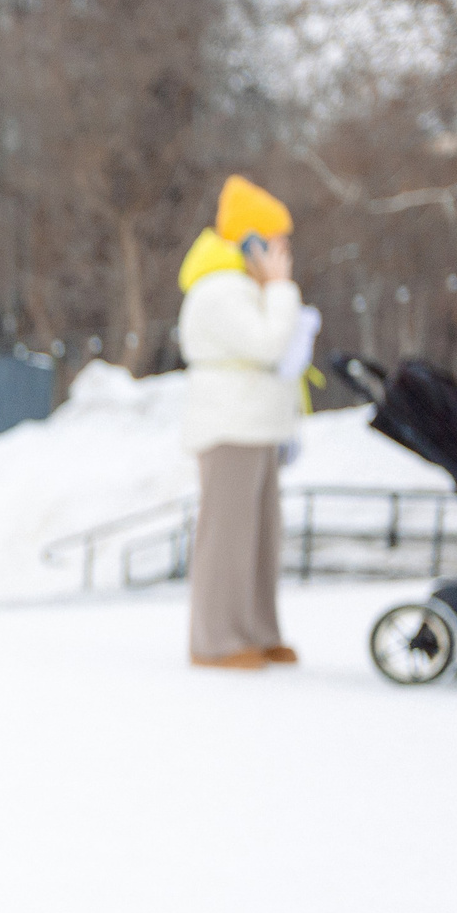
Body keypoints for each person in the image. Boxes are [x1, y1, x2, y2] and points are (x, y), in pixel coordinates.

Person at [176, 174, 305, 670]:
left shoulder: (244, 287)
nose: (284, 252)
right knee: (226, 536)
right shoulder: (219, 290)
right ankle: (216, 639)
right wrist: (280, 290)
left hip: (257, 425)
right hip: (230, 425)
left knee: (261, 536)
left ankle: (256, 629)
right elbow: (268, 343)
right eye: (276, 242)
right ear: (250, 240)